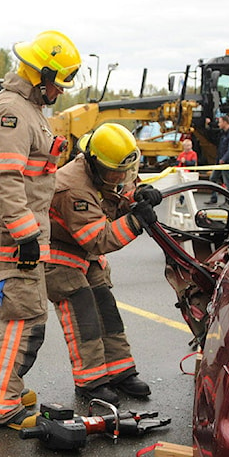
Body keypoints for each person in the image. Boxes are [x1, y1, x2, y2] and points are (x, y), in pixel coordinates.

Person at [0, 29, 81, 429]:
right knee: (21, 316)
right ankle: (1, 401)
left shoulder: (23, 109)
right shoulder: (14, 112)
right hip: (13, 240)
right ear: (42, 75)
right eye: (60, 83)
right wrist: (26, 234)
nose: (62, 92)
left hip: (4, 236)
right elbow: (4, 178)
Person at [46, 123, 159, 404]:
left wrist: (139, 195)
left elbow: (118, 192)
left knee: (106, 308)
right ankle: (91, 381)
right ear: (95, 164)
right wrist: (136, 221)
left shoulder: (105, 170)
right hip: (60, 254)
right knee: (82, 312)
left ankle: (120, 372)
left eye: (125, 172)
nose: (121, 177)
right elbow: (98, 239)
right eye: (115, 172)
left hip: (84, 254)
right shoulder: (72, 188)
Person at [204, 114, 229, 205]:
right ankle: (214, 198)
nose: (218, 124)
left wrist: (224, 158)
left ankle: (228, 200)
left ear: (225, 122)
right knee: (213, 178)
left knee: (227, 181)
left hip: (227, 161)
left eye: (219, 122)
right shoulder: (223, 132)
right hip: (220, 160)